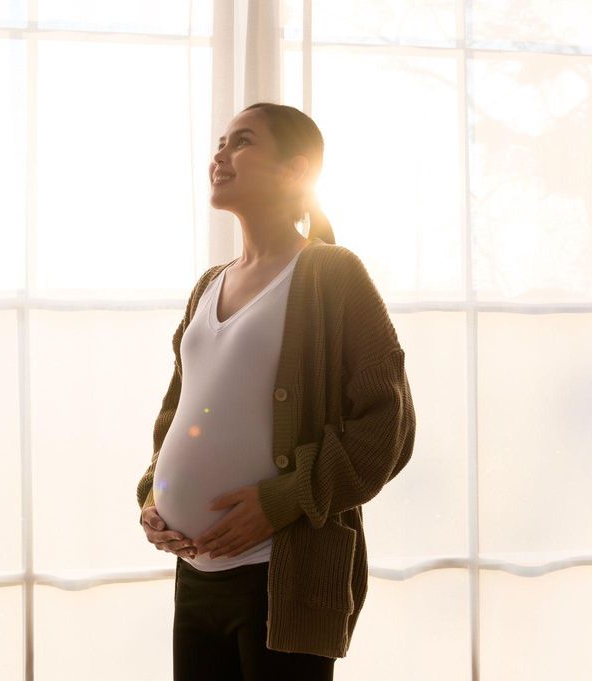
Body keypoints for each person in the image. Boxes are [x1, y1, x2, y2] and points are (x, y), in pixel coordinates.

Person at [136, 102, 416, 680]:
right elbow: (178, 412)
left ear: (296, 171)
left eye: (243, 142)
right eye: (220, 141)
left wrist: (279, 501)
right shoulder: (208, 285)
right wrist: (153, 494)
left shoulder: (332, 274)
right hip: (195, 576)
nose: (221, 153)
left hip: (279, 579)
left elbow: (389, 425)